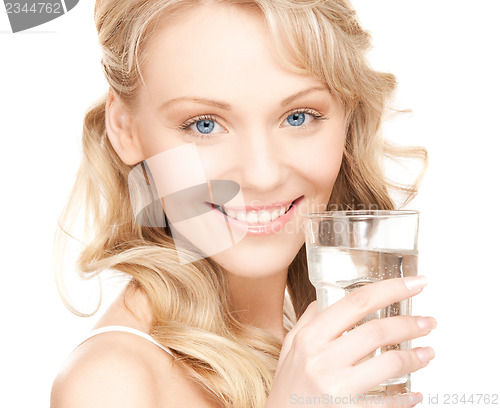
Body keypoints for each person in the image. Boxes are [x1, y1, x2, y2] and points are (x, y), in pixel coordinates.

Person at [50, 0, 433, 407]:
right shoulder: (112, 384)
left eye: (298, 117)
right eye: (205, 124)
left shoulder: (313, 348)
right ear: (126, 129)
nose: (262, 175)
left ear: (346, 118)